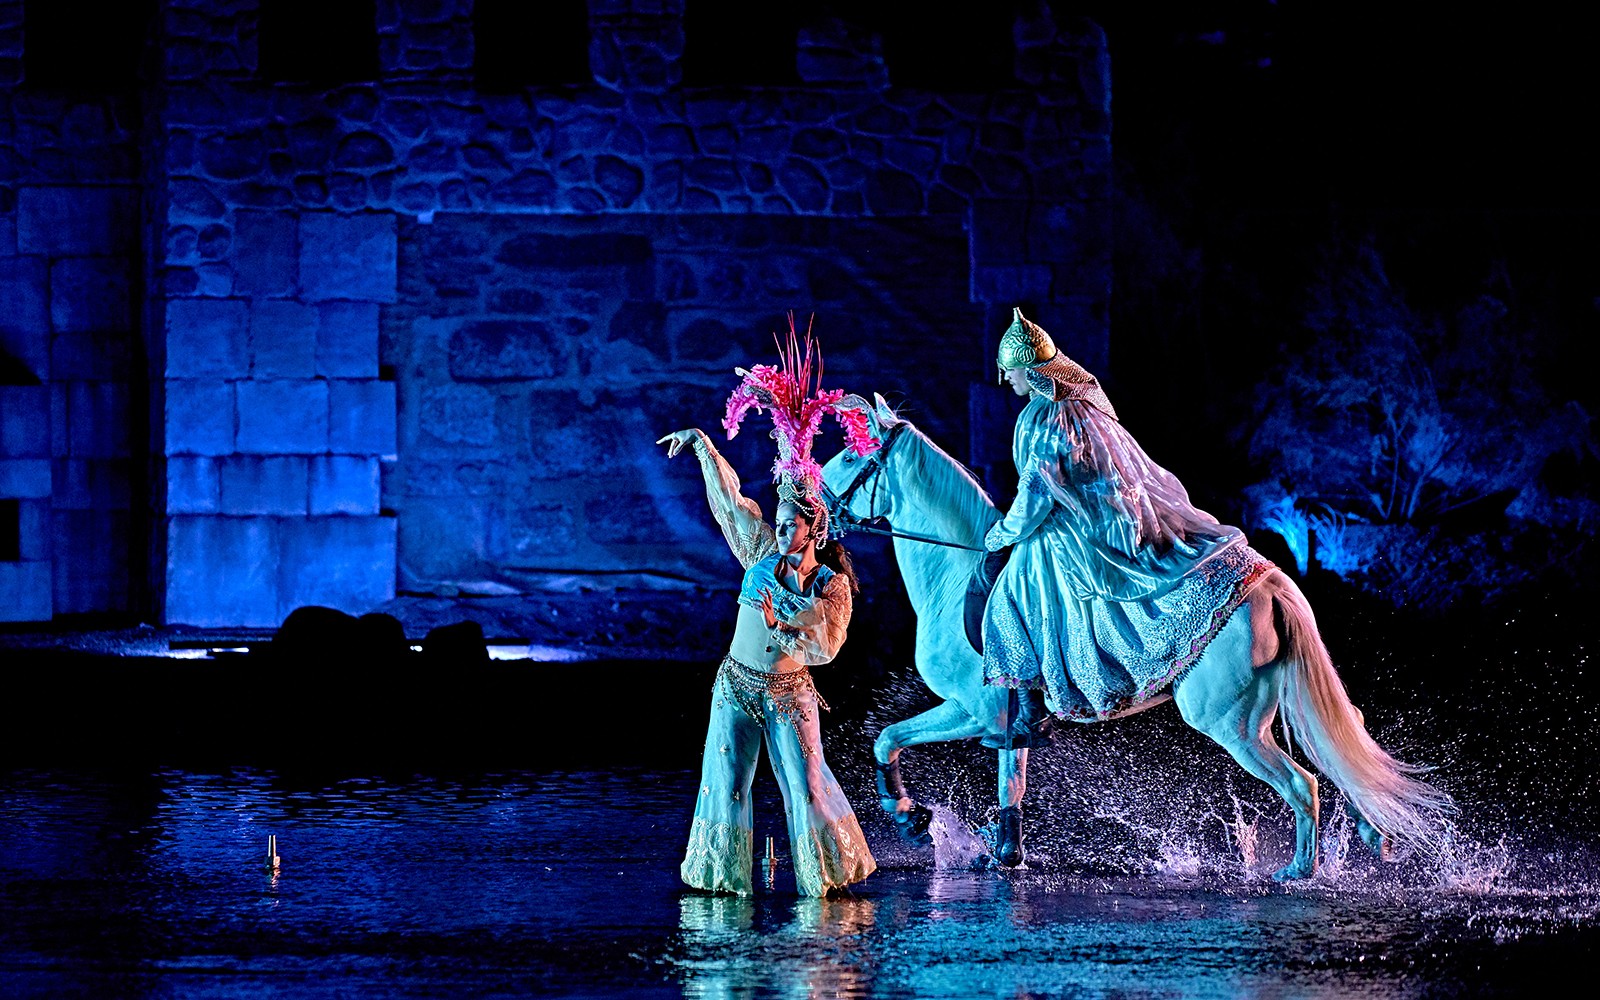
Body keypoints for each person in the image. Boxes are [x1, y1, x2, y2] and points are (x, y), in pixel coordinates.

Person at [979, 307, 1274, 749]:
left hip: (1082, 530)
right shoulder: (1080, 403)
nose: (1008, 381)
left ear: (1032, 371)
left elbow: (1037, 493)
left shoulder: (1047, 416)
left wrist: (1001, 533)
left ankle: (1031, 713)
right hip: (1115, 515)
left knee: (1011, 593)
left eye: (1012, 371)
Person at [658, 325, 878, 897]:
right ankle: (722, 880)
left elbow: (826, 648)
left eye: (790, 524)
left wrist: (786, 626)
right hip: (735, 684)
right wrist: (704, 445)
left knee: (805, 788)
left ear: (814, 528)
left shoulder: (831, 586)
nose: (780, 532)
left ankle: (823, 878)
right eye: (777, 522)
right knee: (727, 784)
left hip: (788, 691)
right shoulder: (759, 552)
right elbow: (731, 505)